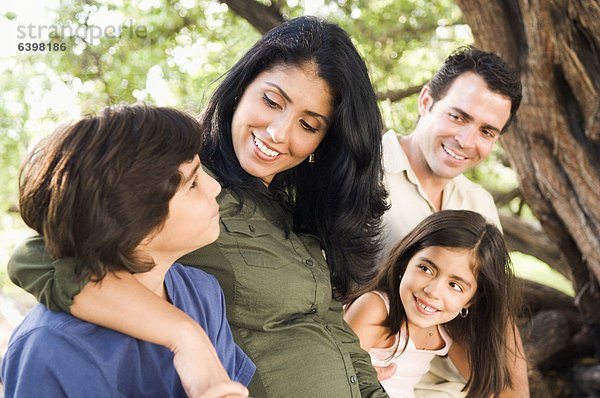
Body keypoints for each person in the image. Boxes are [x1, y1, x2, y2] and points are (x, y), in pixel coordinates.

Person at [6, 16, 390, 397]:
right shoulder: (179, 189)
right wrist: (182, 334)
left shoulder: (288, 210)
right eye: (271, 101)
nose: (278, 132)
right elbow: (37, 256)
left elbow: (332, 330)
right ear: (241, 89)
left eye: (309, 125)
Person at [1, 104, 255, 397]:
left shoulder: (202, 292)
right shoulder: (49, 348)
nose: (215, 187)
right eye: (193, 183)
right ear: (131, 218)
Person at [380, 46, 529, 396]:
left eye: (487, 132)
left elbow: (499, 323)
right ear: (425, 101)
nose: (466, 141)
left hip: (457, 387)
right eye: (458, 116)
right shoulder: (363, 174)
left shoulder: (480, 205)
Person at [345, 210, 521, 398]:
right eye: (426, 269)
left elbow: (494, 391)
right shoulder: (376, 308)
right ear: (406, 261)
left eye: (454, 285)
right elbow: (334, 375)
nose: (433, 291)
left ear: (471, 300)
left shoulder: (447, 330)